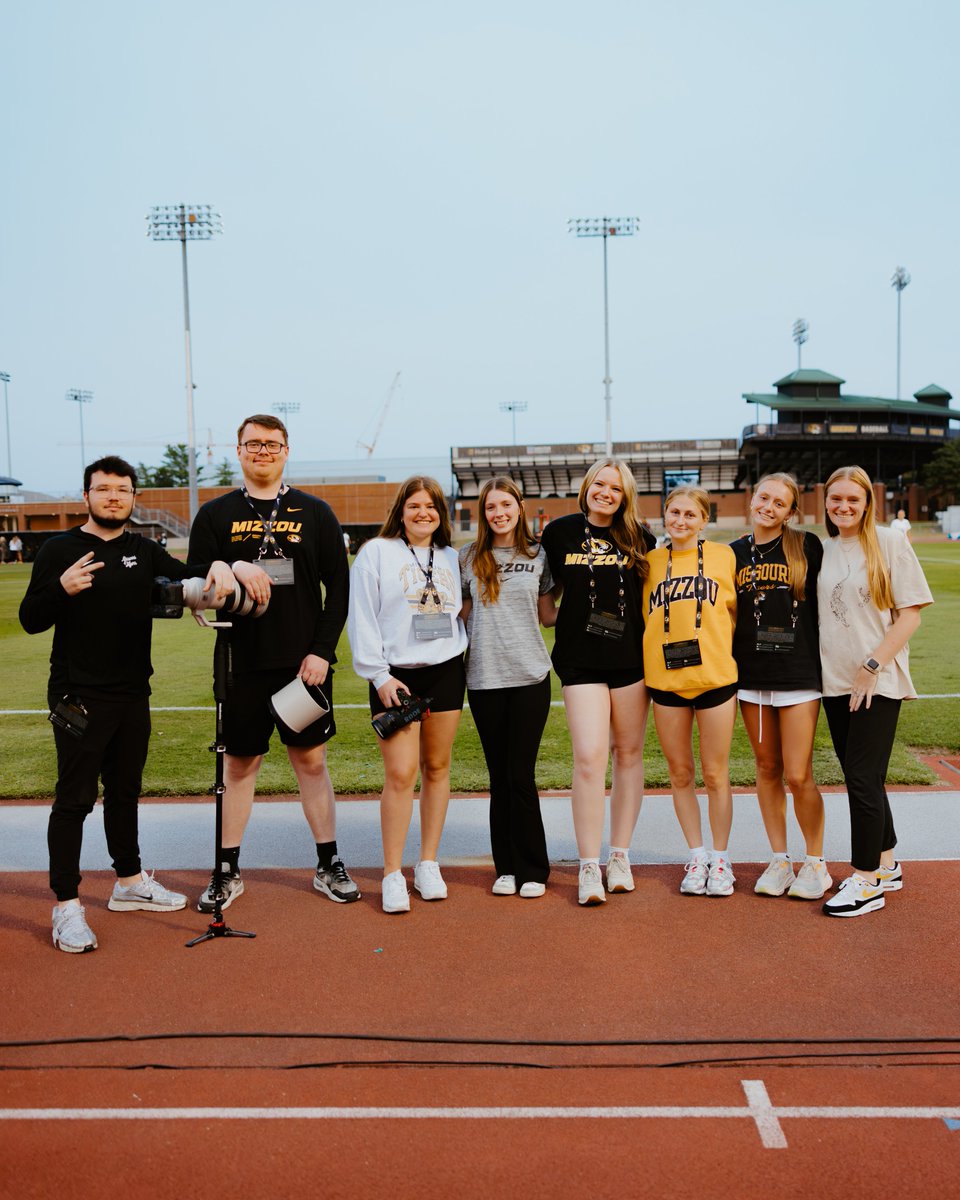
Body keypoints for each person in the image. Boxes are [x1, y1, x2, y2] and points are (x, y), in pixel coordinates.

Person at [19, 456, 236, 953]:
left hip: (133, 693)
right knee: (74, 799)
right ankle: (66, 906)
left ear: (134, 497)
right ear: (86, 496)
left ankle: (129, 882)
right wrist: (60, 588)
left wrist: (222, 565)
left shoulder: (146, 549)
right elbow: (30, 618)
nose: (113, 496)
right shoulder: (59, 549)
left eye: (122, 489)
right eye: (103, 489)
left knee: (125, 792)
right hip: (77, 696)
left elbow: (192, 577)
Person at [188, 413, 358, 912]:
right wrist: (226, 564)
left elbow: (339, 589)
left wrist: (322, 652)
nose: (262, 452)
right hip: (240, 663)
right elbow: (194, 580)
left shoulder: (315, 512)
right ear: (237, 450)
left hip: (301, 667)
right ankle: (226, 870)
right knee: (239, 765)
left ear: (287, 450)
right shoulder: (215, 515)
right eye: (253, 444)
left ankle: (328, 863)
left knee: (310, 761)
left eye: (272, 444)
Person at [348, 476, 468, 914]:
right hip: (394, 676)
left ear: (442, 513)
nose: (423, 513)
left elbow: (462, 612)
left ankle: (428, 863)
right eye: (414, 506)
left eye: (432, 506)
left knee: (437, 767)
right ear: (401, 511)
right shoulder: (375, 553)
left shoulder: (454, 557)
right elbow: (361, 618)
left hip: (445, 673)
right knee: (401, 775)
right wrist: (379, 676)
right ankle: (393, 873)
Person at [818, 465, 933, 917]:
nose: (843, 506)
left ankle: (866, 881)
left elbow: (910, 615)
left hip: (875, 680)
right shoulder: (823, 550)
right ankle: (887, 862)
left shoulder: (888, 542)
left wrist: (872, 666)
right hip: (833, 680)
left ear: (867, 503)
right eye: (835, 499)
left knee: (862, 779)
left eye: (853, 499)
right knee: (862, 775)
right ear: (825, 503)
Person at [539, 459, 654, 906]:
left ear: (625, 496)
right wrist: (547, 614)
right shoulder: (559, 532)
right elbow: (542, 586)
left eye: (616, 488)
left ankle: (619, 856)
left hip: (630, 661)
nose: (606, 492)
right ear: (587, 486)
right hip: (579, 661)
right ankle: (589, 864)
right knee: (589, 757)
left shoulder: (640, 538)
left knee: (628, 754)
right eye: (600, 484)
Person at [730, 474, 830, 900]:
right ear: (753, 499)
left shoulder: (806, 546)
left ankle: (816, 863)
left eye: (780, 503)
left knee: (798, 772)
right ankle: (779, 859)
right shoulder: (732, 553)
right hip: (751, 676)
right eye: (764, 497)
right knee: (766, 769)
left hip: (798, 672)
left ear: (791, 511)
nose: (768, 506)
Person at [460, 477, 557, 899]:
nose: (498, 513)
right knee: (498, 777)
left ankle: (533, 868)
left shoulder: (538, 554)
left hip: (530, 676)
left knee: (521, 775)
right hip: (483, 678)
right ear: (483, 514)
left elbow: (549, 616)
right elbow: (459, 616)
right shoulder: (468, 557)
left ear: (520, 506)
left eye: (505, 505)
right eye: (490, 507)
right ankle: (506, 867)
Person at [642, 487, 739, 896]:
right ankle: (696, 854)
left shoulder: (723, 557)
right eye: (674, 512)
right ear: (665, 515)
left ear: (703, 520)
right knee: (680, 773)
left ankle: (721, 859)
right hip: (665, 682)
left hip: (715, 678)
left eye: (690, 514)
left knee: (716, 773)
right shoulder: (648, 563)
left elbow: (732, 614)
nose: (680, 520)